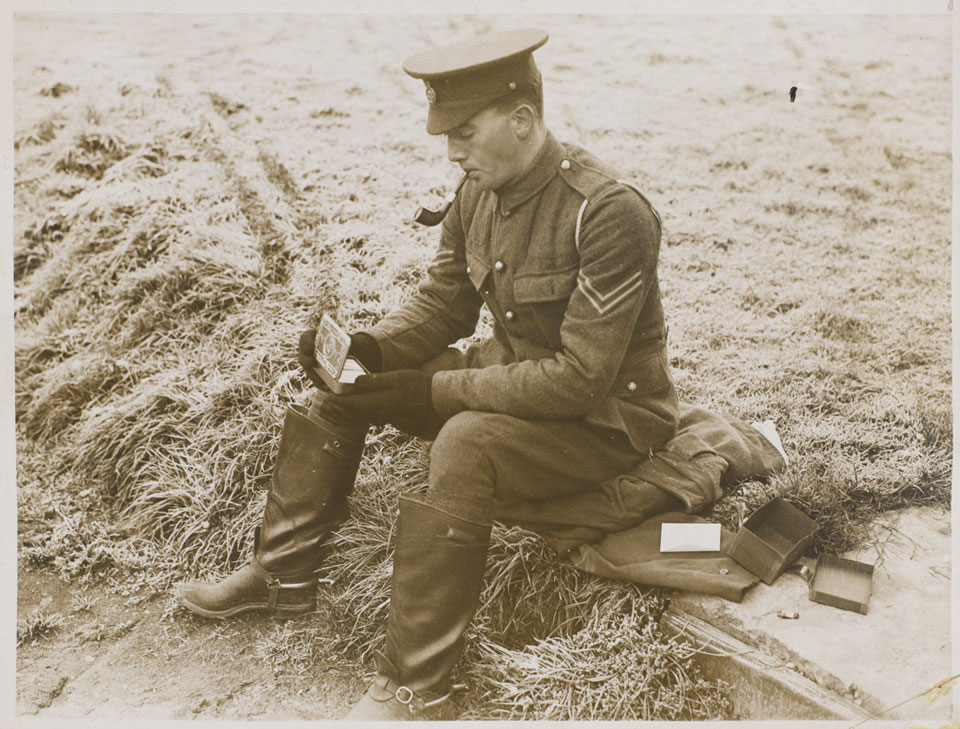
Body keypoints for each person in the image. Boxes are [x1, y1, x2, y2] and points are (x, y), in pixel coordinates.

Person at [179, 27, 703, 720]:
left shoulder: (609, 214)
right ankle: (281, 574)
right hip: (514, 385)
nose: (451, 149)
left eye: (464, 131)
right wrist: (372, 350)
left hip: (604, 425)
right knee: (349, 387)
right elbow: (442, 304)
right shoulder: (477, 192)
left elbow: (579, 379)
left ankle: (415, 686)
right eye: (445, 134)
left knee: (464, 442)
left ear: (521, 121)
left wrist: (431, 390)